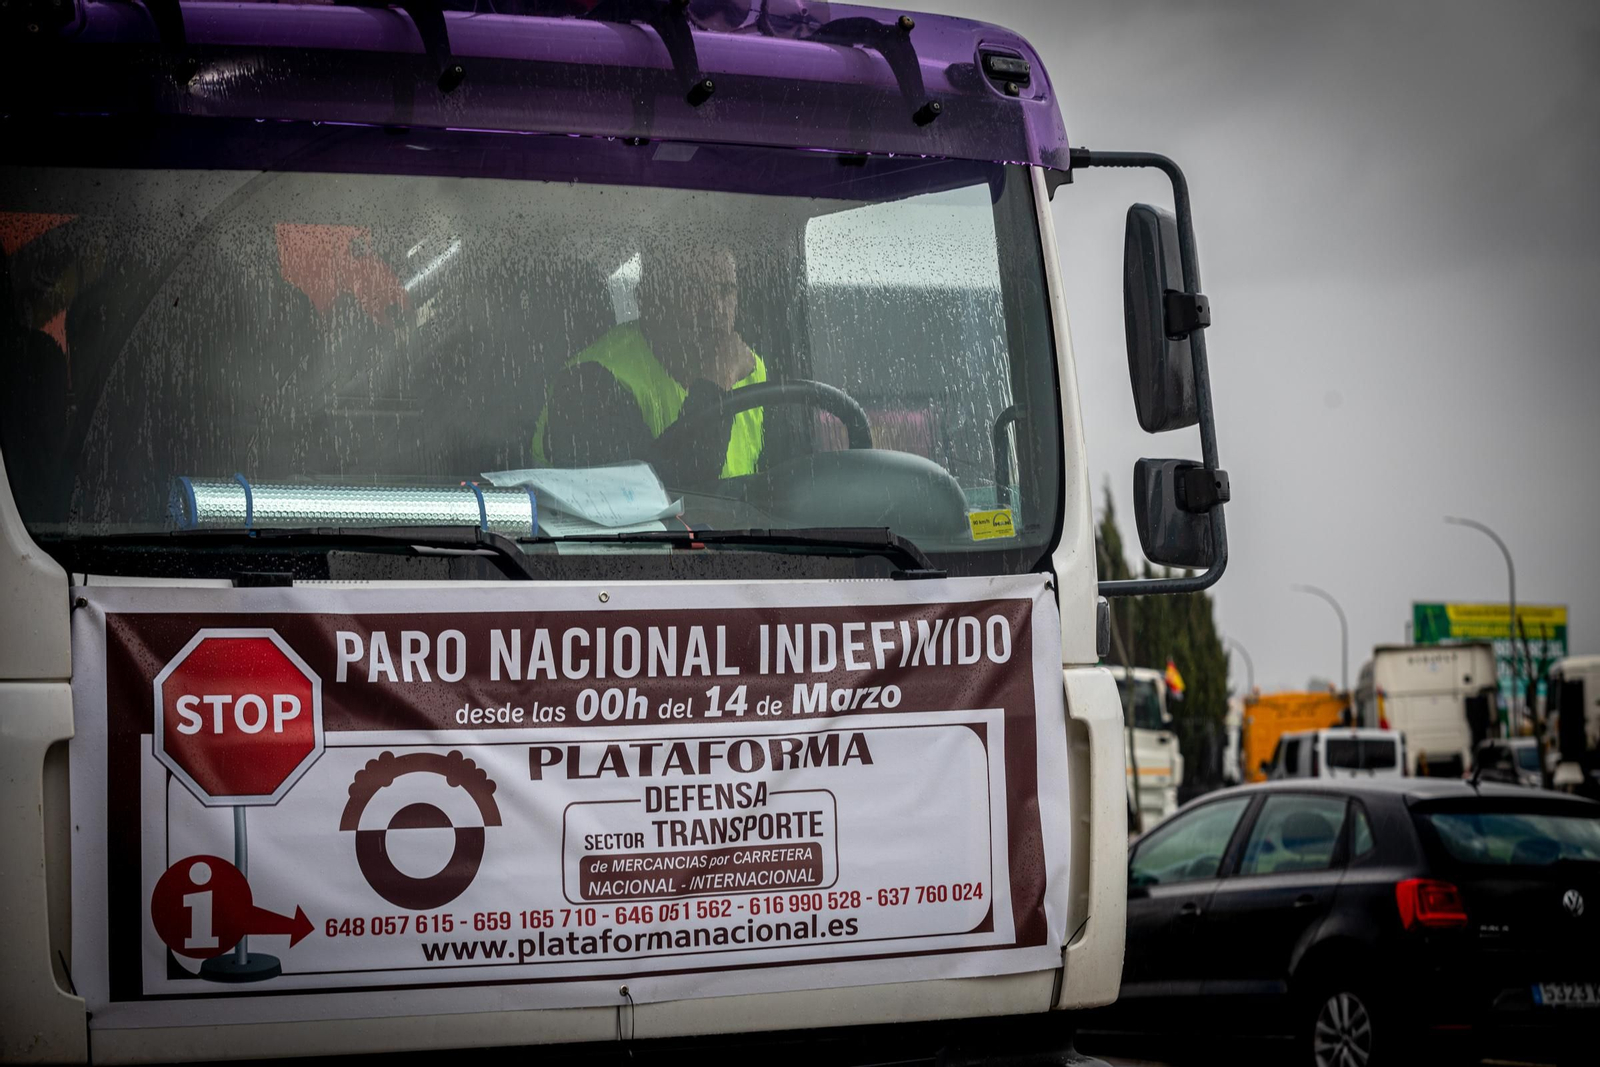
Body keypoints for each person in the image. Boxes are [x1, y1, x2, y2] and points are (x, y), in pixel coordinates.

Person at [534, 243, 767, 482]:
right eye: (693, 289)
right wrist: (718, 381)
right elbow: (659, 495)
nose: (715, 308)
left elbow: (785, 481)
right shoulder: (586, 384)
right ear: (647, 298)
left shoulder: (751, 369)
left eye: (726, 290)